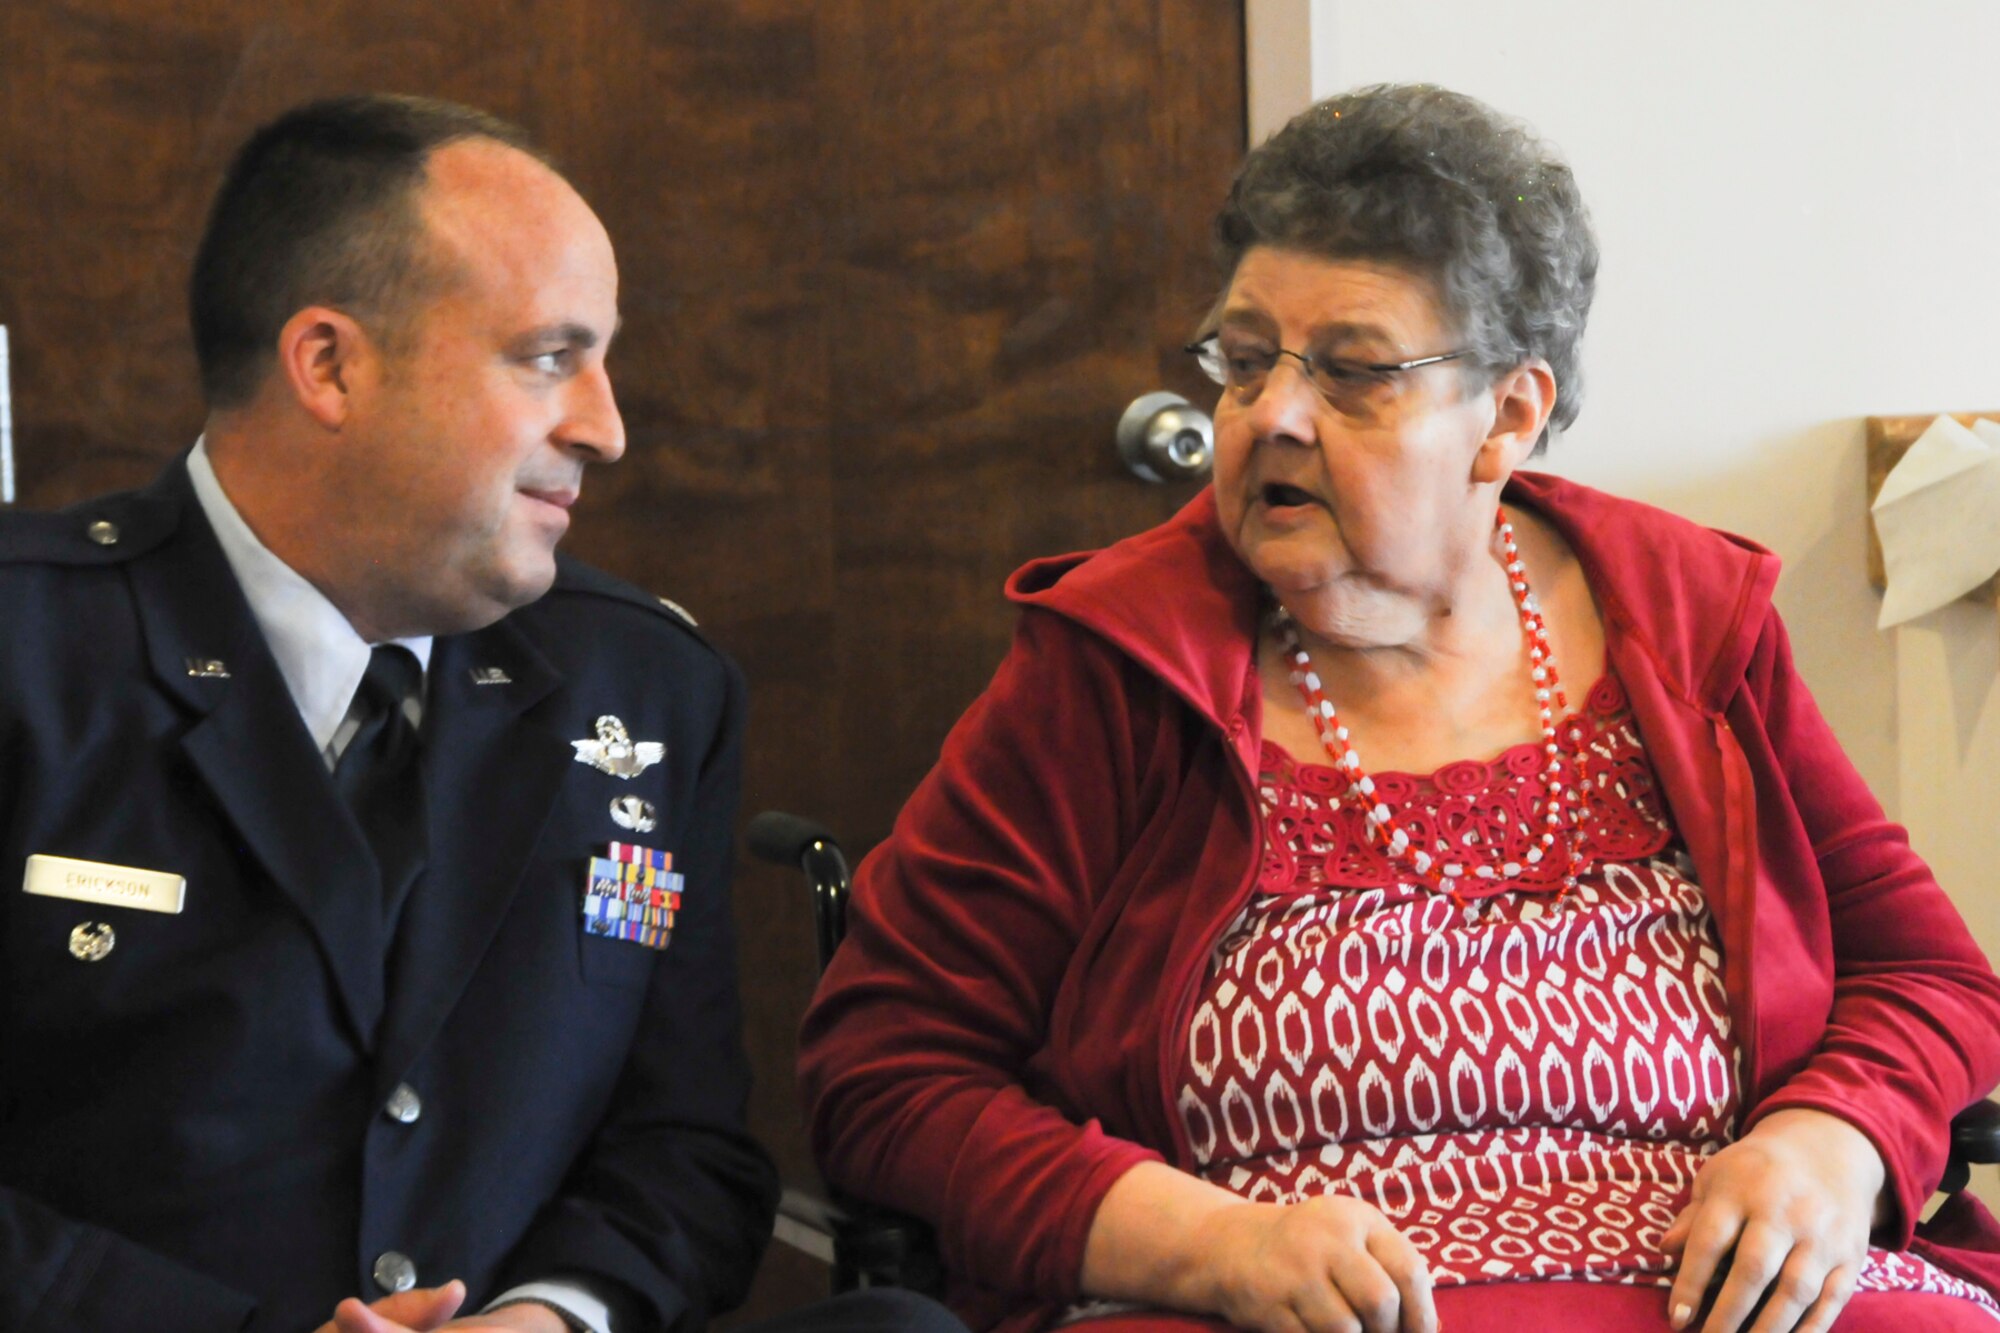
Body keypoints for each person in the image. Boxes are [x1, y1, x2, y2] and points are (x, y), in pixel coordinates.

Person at [798, 84, 2000, 1333]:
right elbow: (886, 1067)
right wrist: (1201, 1241)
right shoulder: (1116, 661)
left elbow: (1926, 974)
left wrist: (1828, 1138)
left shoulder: (1685, 619)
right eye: (1246, 360)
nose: (1272, 414)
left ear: (1508, 417)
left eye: (1354, 373)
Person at [0, 95, 957, 1333]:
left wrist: (554, 1317)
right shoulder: (29, 649)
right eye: (549, 356)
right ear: (329, 364)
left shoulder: (647, 689)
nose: (605, 428)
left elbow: (686, 1152)